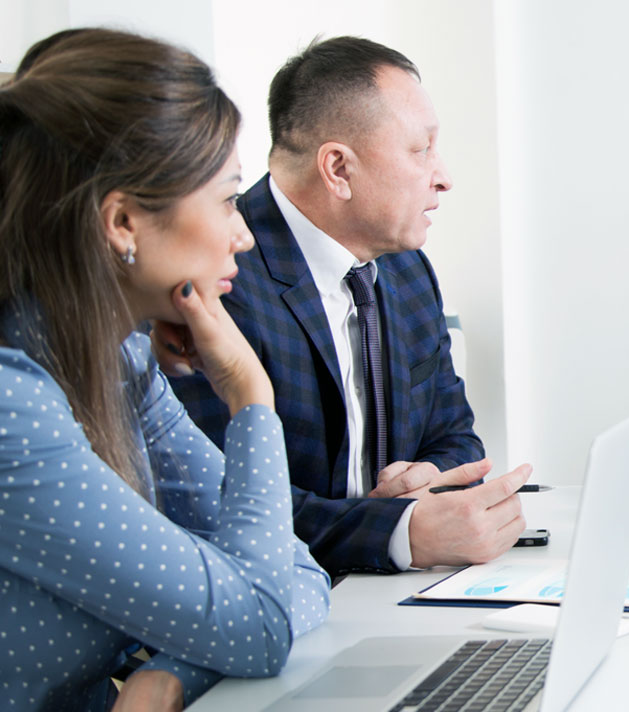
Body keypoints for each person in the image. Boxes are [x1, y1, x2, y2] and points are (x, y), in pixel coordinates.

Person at [0, 28, 330, 709]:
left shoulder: (120, 359)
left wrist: (174, 673)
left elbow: (293, 573)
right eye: (228, 199)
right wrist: (249, 399)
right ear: (122, 223)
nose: (243, 233)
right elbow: (258, 622)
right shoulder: (11, 409)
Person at [171, 37, 530, 576]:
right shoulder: (219, 279)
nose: (443, 176)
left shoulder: (406, 269)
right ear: (338, 168)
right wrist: (398, 532)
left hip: (391, 593)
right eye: (420, 149)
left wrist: (427, 479)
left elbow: (456, 435)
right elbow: (215, 501)